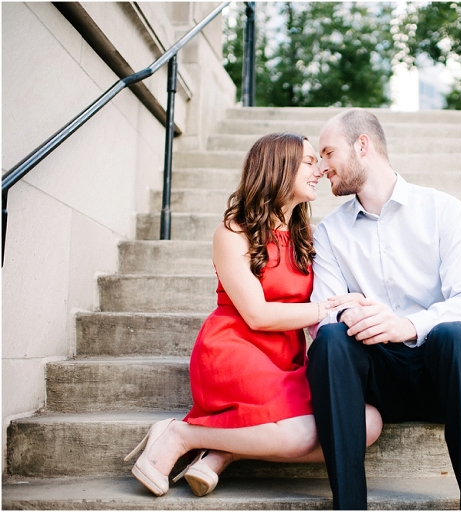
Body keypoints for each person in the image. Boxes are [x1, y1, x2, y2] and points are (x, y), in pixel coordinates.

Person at [124, 132, 383, 498]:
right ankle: (180, 434)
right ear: (278, 168)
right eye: (309, 162)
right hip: (235, 351)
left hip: (288, 359)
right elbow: (258, 315)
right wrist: (328, 306)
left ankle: (226, 450)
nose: (321, 170)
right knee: (306, 433)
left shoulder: (309, 235)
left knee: (367, 423)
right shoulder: (233, 232)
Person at [307, 109, 461, 510]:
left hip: (437, 373)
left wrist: (407, 325)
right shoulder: (330, 232)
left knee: (458, 335)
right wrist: (352, 316)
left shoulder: (443, 210)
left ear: (362, 145)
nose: (321, 168)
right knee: (330, 339)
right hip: (375, 379)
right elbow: (323, 312)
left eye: (327, 153)